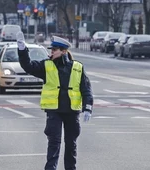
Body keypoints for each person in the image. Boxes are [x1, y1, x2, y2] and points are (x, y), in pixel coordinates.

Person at [16, 32, 93, 170]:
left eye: (54, 49)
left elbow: (86, 89)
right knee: (54, 144)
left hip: (72, 111)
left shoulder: (77, 67)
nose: (51, 51)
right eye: (51, 49)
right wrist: (22, 49)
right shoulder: (47, 66)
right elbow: (27, 66)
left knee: (71, 144)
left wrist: (88, 108)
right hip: (54, 111)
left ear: (63, 52)